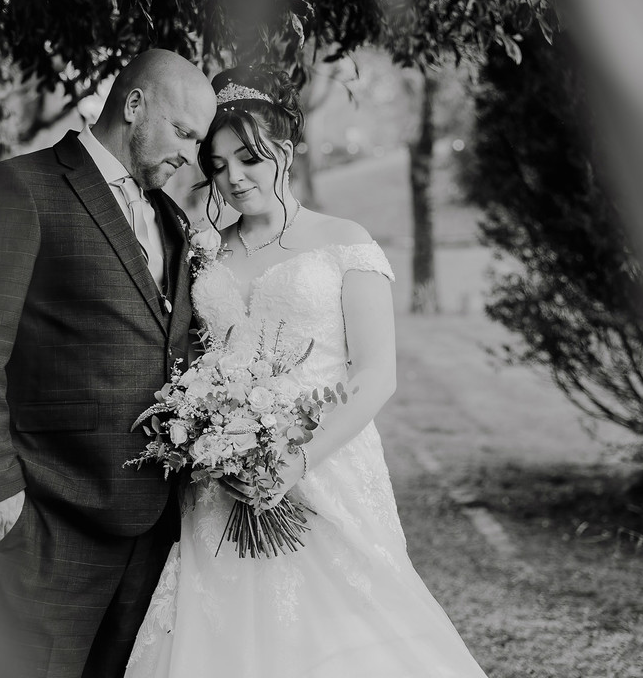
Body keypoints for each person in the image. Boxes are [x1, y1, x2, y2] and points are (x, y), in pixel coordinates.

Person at [124, 67, 489, 677]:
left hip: (327, 462)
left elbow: (377, 375)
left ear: (285, 154)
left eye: (249, 157)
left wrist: (296, 459)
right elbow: (191, 355)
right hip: (222, 474)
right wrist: (210, 429)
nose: (233, 177)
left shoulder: (347, 243)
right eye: (216, 165)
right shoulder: (203, 251)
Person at [0, 49, 218, 678]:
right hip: (47, 511)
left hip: (150, 523)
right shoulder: (21, 187)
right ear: (135, 104)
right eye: (183, 131)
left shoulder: (169, 216)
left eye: (199, 141)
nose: (189, 156)